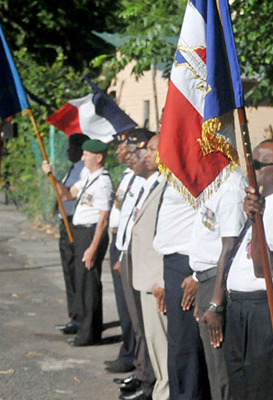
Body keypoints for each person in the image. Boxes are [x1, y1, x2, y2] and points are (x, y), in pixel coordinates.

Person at [223, 139, 273, 400]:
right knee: (239, 381)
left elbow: (266, 269)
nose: (249, 171)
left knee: (261, 385)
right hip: (240, 308)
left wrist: (256, 216)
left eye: (256, 165)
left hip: (263, 308)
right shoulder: (263, 202)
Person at [42, 139, 113, 346]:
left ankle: (89, 334)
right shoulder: (89, 179)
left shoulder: (103, 182)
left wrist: (92, 248)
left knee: (89, 285)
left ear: (98, 157)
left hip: (92, 234)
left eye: (86, 154)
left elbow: (103, 219)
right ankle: (85, 328)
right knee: (82, 283)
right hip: (81, 233)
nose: (82, 158)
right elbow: (66, 195)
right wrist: (51, 176)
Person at [153, 166, 209, 399]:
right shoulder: (172, 172)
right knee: (177, 342)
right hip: (172, 262)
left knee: (188, 344)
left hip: (189, 263)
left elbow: (209, 226)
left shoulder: (201, 174)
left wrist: (198, 274)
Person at [193, 169, 247, 400]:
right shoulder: (212, 182)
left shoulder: (231, 187)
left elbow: (230, 247)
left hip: (218, 285)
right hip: (206, 281)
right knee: (214, 369)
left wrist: (216, 303)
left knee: (222, 369)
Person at [114, 129, 156, 398]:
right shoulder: (136, 179)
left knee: (145, 322)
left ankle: (147, 378)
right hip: (128, 251)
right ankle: (142, 372)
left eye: (138, 153)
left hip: (145, 258)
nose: (132, 157)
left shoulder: (154, 183)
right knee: (137, 320)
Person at [130, 134, 170, 400]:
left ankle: (164, 394)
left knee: (163, 345)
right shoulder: (156, 183)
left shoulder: (171, 187)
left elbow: (170, 237)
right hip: (145, 278)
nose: (147, 154)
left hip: (157, 280)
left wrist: (162, 281)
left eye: (153, 149)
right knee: (155, 346)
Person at [105, 131, 137, 373]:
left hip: (128, 246)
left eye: (122, 146)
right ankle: (128, 352)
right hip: (118, 241)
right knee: (123, 306)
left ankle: (132, 357)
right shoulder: (127, 176)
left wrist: (124, 251)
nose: (118, 151)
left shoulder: (139, 178)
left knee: (131, 309)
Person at [53, 133, 89, 335]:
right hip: (64, 223)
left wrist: (53, 177)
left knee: (77, 273)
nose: (68, 151)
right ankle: (74, 316)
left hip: (74, 225)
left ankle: (81, 317)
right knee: (69, 272)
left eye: (71, 147)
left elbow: (67, 193)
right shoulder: (75, 168)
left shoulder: (84, 171)